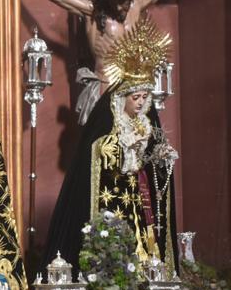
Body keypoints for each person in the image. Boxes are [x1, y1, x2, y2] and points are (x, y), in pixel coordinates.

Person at [42, 18, 179, 275]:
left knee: (144, 252)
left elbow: (155, 168)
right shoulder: (106, 119)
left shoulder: (148, 124)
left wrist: (161, 157)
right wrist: (120, 146)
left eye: (144, 98)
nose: (140, 103)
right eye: (135, 97)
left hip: (140, 204)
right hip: (111, 203)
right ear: (122, 97)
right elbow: (94, 154)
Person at [20, 0, 178, 123]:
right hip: (106, 86)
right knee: (102, 141)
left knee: (138, 142)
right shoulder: (93, 11)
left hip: (134, 88)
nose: (119, 7)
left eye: (123, 2)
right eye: (114, 3)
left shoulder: (136, 6)